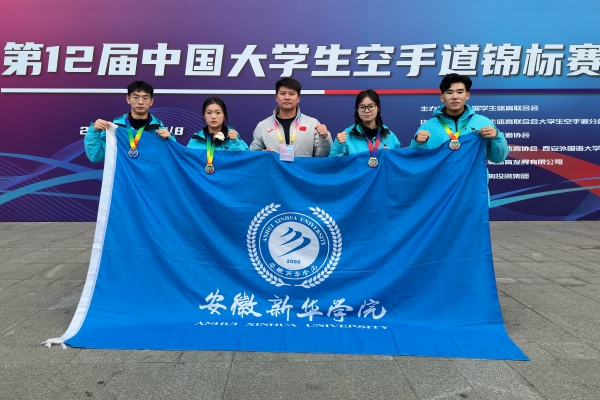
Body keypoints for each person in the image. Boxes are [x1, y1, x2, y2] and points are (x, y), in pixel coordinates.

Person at [409, 73, 508, 162]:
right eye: (449, 92)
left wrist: (496, 137)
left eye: (460, 92)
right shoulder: (428, 127)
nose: (455, 97)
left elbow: (498, 158)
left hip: (474, 177)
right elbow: (415, 161)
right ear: (442, 97)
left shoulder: (483, 123)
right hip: (441, 177)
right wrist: (417, 143)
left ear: (467, 95)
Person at [85, 80, 174, 163]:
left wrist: (170, 140)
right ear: (128, 99)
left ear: (151, 101)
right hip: (123, 175)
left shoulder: (159, 129)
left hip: (149, 175)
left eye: (145, 98)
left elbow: (172, 160)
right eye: (136, 97)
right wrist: (94, 131)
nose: (140, 102)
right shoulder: (116, 128)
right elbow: (96, 156)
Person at [250, 78, 332, 159]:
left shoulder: (312, 124)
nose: (287, 97)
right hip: (274, 168)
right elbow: (252, 155)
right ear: (276, 98)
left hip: (301, 168)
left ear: (298, 99)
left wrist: (324, 138)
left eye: (291, 94)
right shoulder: (263, 126)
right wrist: (264, 154)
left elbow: (323, 155)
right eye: (282, 93)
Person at [329, 89, 401, 162]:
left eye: (371, 106)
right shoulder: (346, 136)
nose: (366, 111)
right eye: (362, 107)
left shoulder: (390, 136)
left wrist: (390, 157)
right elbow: (333, 164)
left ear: (378, 108)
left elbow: (399, 162)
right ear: (357, 109)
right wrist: (339, 146)